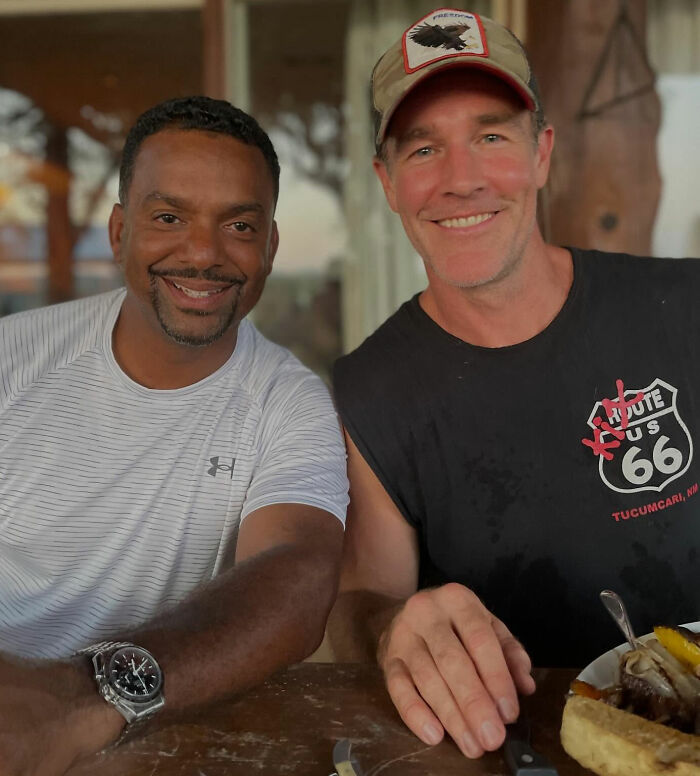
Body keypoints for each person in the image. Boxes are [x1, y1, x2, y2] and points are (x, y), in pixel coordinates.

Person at [329, 7, 699, 761]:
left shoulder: (685, 307)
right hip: (511, 749)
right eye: (424, 148)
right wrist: (392, 626)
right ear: (387, 183)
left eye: (492, 137)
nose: (461, 180)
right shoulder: (369, 391)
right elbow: (363, 604)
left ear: (541, 155)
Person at [0, 96, 348, 774]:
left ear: (271, 247)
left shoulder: (290, 401)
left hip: (166, 748)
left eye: (239, 226)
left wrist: (80, 700)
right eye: (168, 218)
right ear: (119, 230)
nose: (202, 253)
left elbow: (296, 581)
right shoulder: (12, 359)